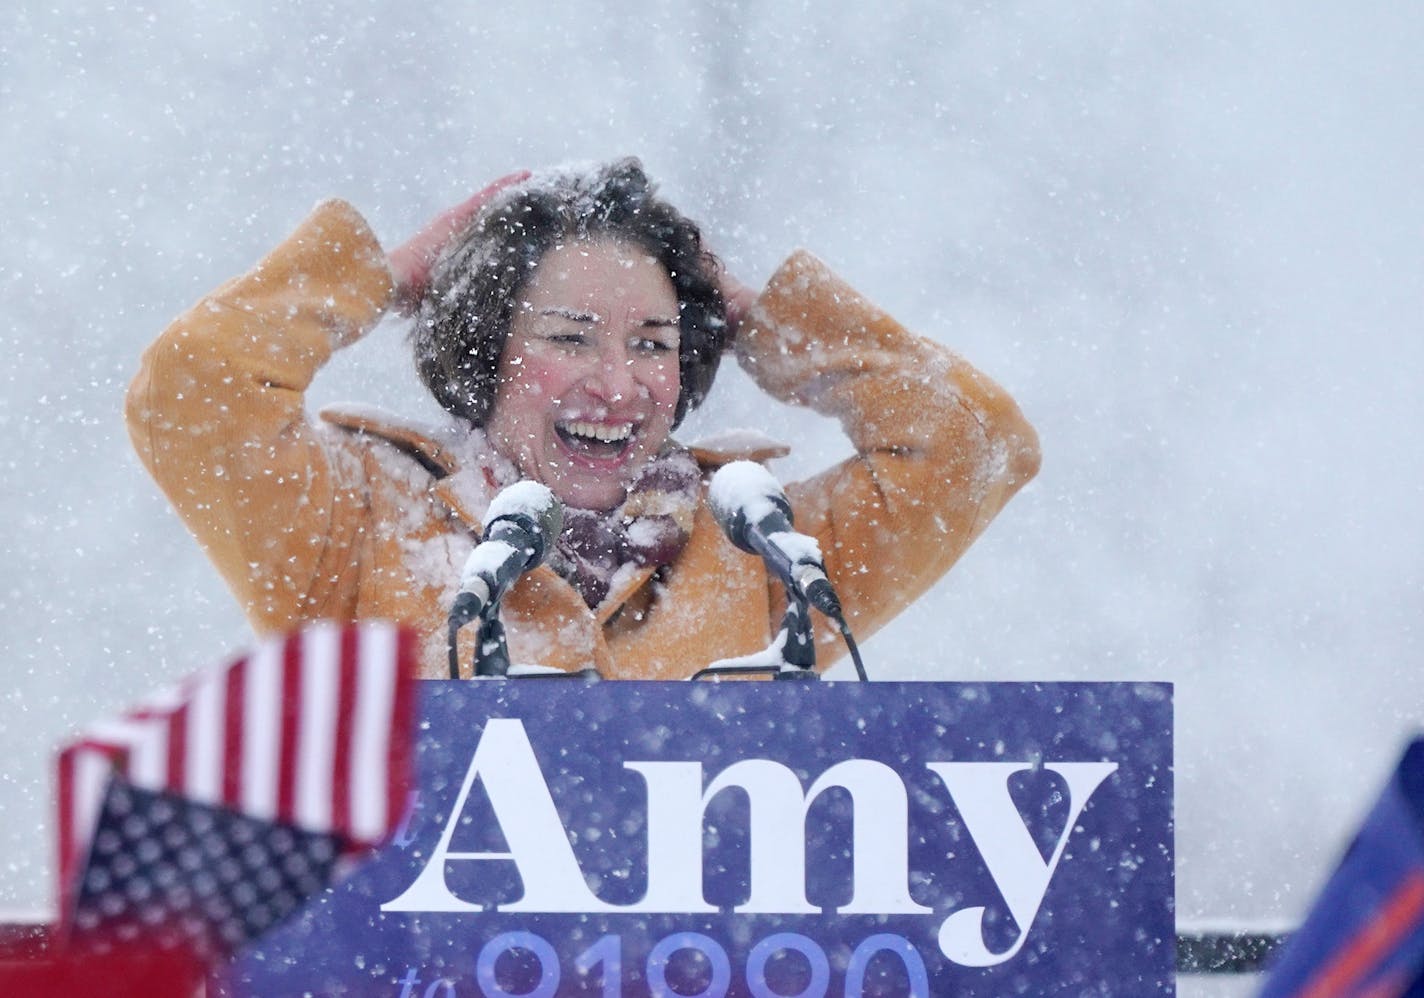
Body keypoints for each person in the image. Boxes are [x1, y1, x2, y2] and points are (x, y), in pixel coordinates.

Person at [126, 159, 1040, 679]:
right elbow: (189, 392)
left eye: (652, 342)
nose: (617, 383)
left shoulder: (758, 543)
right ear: (485, 353)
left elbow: (979, 446)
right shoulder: (358, 523)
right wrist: (393, 275)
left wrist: (760, 316)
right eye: (572, 338)